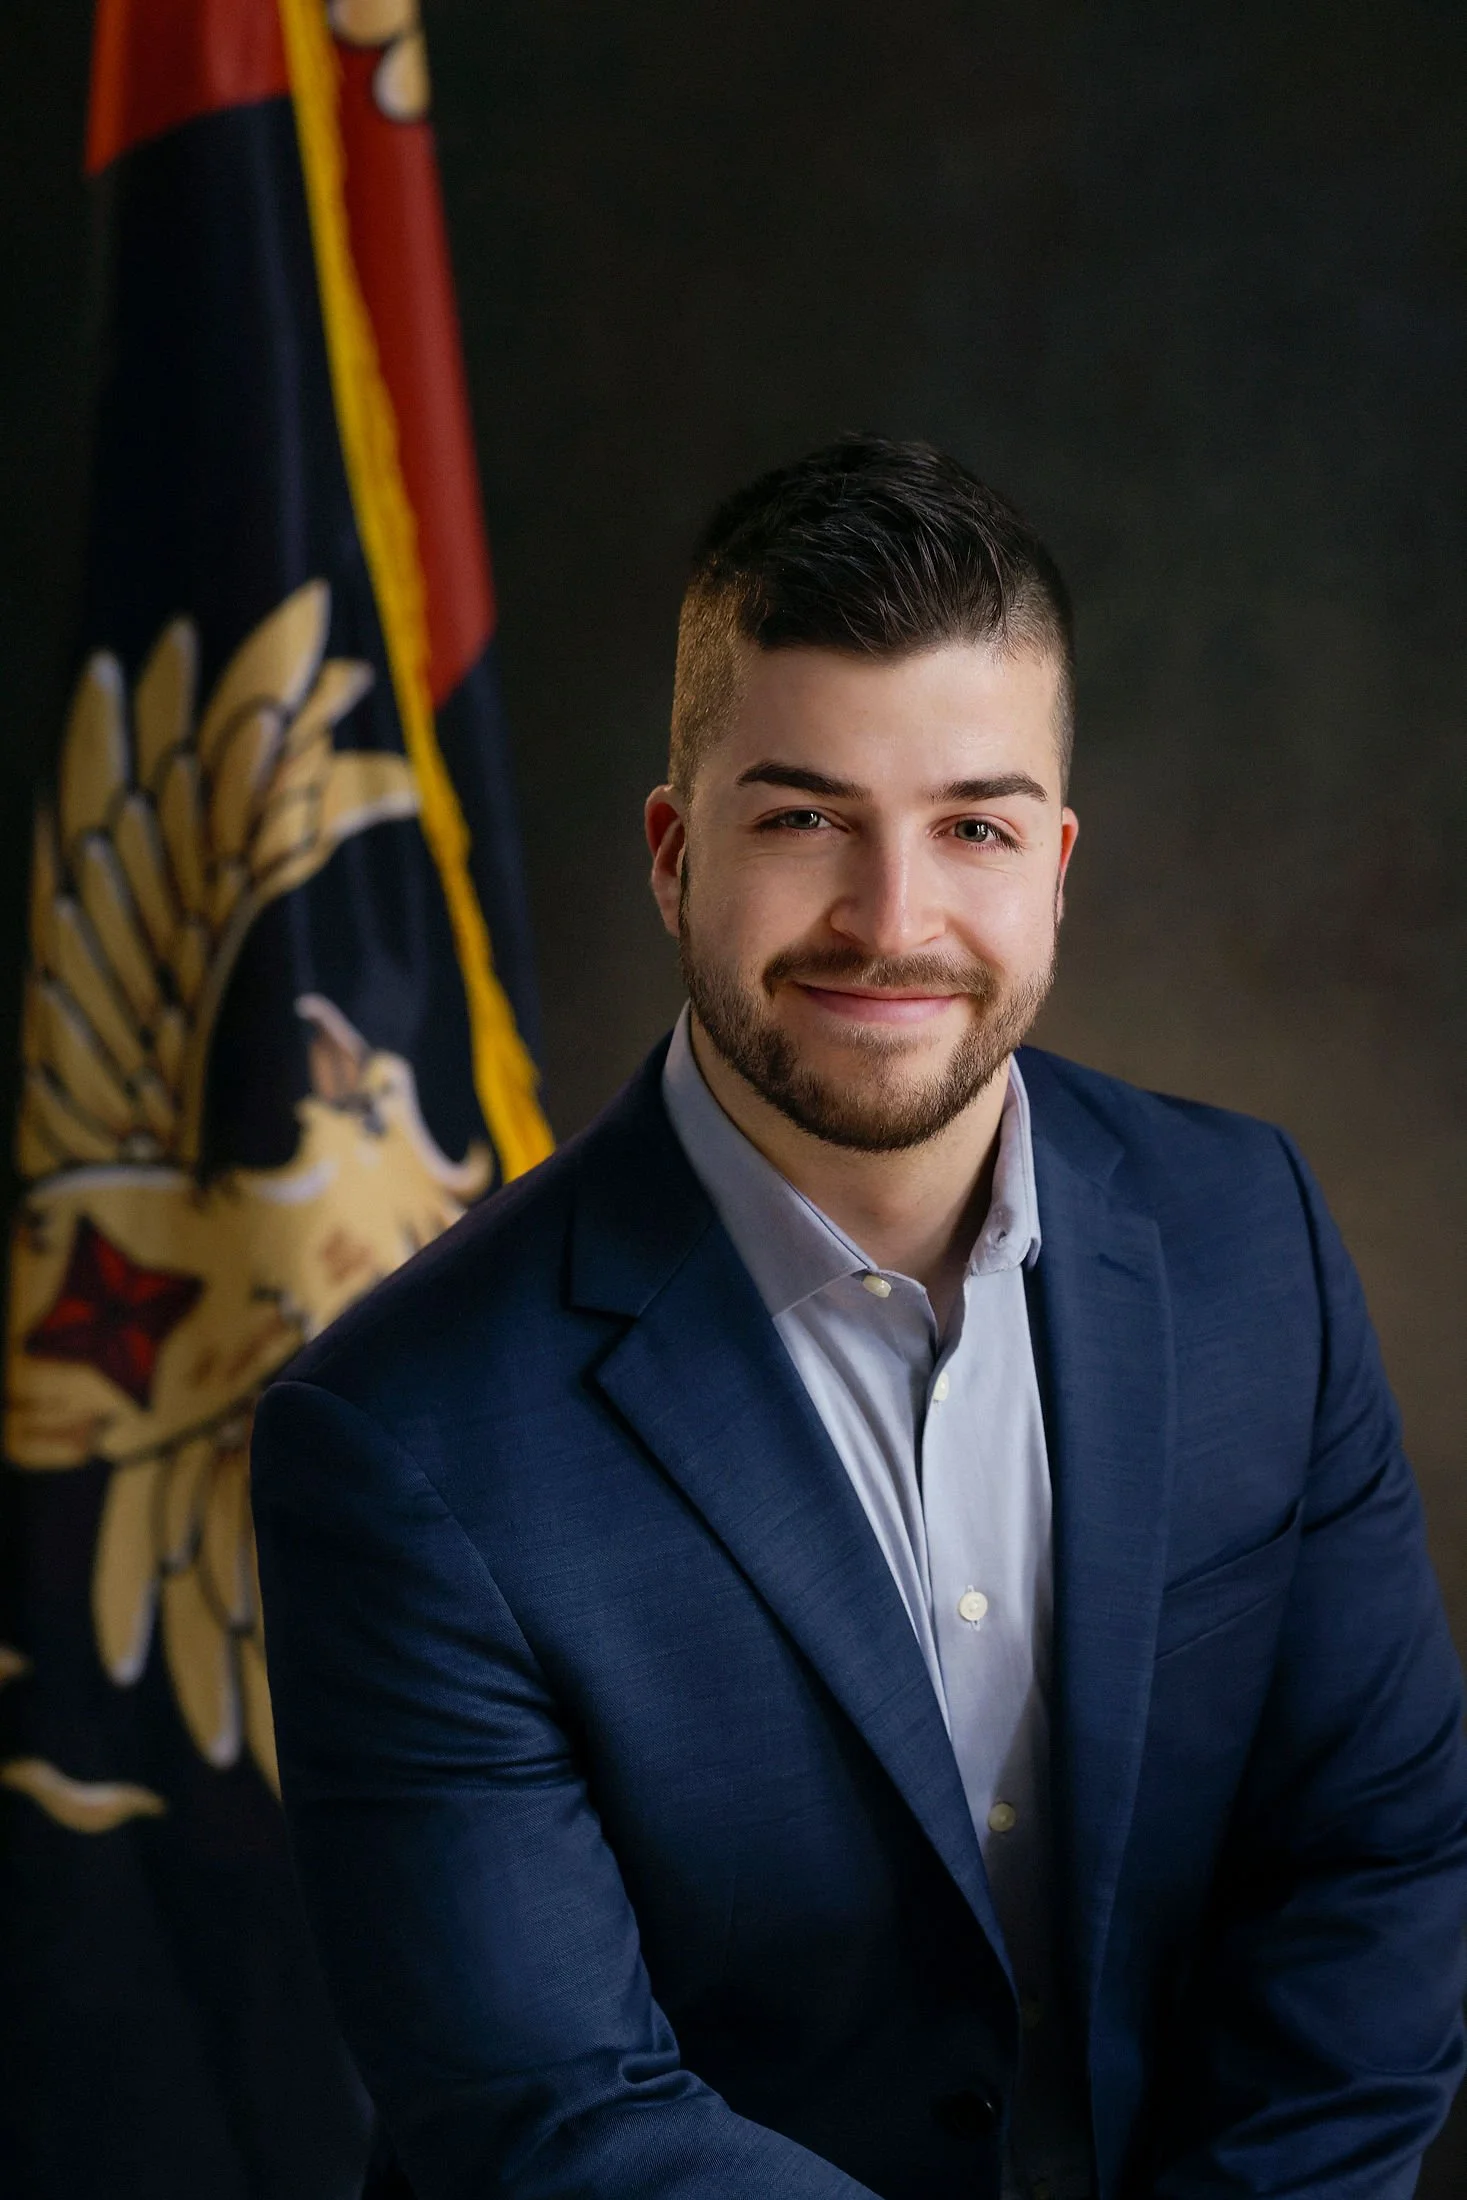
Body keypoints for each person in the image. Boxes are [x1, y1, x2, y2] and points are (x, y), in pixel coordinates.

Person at [252, 436, 1467, 2200]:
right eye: (803, 817)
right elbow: (564, 2120)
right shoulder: (404, 1439)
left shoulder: (1248, 1234)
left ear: (1053, 863)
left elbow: (1371, 1863)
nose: (891, 924)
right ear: (674, 853)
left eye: (968, 826)